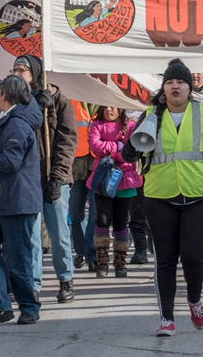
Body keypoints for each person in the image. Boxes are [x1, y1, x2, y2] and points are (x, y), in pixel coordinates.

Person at [121, 59, 203, 337]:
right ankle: (166, 317)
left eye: (180, 81)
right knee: (165, 259)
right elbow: (127, 155)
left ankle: (194, 300)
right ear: (164, 88)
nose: (175, 86)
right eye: (169, 82)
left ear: (189, 87)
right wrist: (137, 136)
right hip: (160, 196)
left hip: (198, 196)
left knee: (193, 257)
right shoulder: (150, 115)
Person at [10, 55, 77, 304]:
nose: (17, 74)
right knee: (31, 235)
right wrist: (33, 107)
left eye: (22, 70)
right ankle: (33, 283)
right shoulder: (15, 102)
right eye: (14, 69)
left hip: (53, 176)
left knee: (59, 232)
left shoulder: (58, 101)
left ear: (35, 73)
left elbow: (67, 141)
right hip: (28, 179)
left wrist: (58, 176)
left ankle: (66, 278)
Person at [0, 76, 43, 327]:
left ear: (5, 96)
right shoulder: (7, 119)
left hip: (17, 200)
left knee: (17, 257)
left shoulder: (17, 123)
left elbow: (9, 163)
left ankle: (28, 306)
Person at [87, 106, 141, 278]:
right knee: (102, 219)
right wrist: (117, 146)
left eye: (113, 107)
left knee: (121, 221)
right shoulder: (96, 124)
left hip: (125, 178)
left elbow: (130, 152)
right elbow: (94, 146)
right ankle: (102, 262)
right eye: (106, 106)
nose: (109, 110)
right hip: (103, 179)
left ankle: (120, 263)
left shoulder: (131, 126)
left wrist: (111, 152)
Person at [69, 101, 98, 271]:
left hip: (97, 162)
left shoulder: (103, 98)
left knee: (95, 212)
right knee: (74, 210)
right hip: (76, 161)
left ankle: (91, 254)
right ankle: (80, 251)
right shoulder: (72, 97)